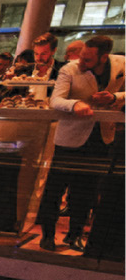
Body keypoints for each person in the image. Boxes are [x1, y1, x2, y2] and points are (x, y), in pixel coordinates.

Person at [41, 35, 124, 251]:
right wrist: (75, 104)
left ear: (104, 57)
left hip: (102, 136)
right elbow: (56, 100)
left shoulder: (121, 65)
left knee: (86, 190)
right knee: (55, 188)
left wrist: (115, 98)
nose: (81, 62)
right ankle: (47, 234)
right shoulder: (69, 69)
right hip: (70, 137)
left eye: (87, 59)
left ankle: (75, 234)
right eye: (81, 57)